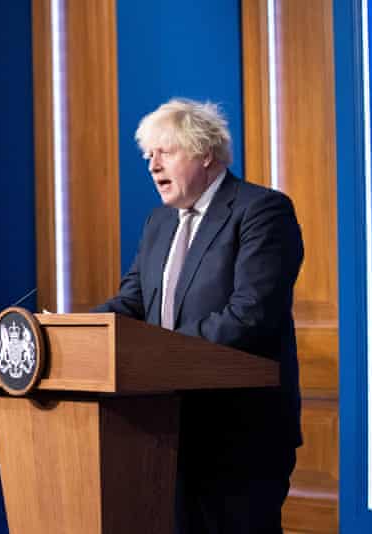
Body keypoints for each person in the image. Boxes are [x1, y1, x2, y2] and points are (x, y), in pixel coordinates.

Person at [93, 99, 304, 533]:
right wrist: (77, 331)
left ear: (205, 153)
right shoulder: (158, 222)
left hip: (240, 434)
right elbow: (132, 302)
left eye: (164, 152)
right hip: (166, 428)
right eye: (148, 155)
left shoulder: (261, 211)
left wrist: (162, 355)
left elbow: (250, 314)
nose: (152, 166)